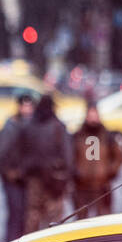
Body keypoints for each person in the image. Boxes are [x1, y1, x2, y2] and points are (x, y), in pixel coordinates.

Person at [18, 95, 73, 234]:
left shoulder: (29, 126)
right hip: (53, 179)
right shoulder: (58, 127)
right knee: (53, 217)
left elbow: (21, 153)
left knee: (33, 213)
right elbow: (68, 156)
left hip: (33, 178)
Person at [0, 94, 36, 242]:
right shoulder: (11, 127)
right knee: (16, 214)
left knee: (26, 216)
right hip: (12, 179)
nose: (27, 109)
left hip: (28, 177)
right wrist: (8, 173)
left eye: (29, 106)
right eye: (24, 106)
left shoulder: (33, 126)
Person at [71, 103, 122, 217]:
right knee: (81, 221)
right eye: (90, 115)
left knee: (102, 220)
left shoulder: (108, 136)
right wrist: (75, 172)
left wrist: (111, 171)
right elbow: (70, 156)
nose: (93, 119)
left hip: (101, 186)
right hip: (81, 186)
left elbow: (118, 156)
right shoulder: (78, 136)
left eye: (95, 115)